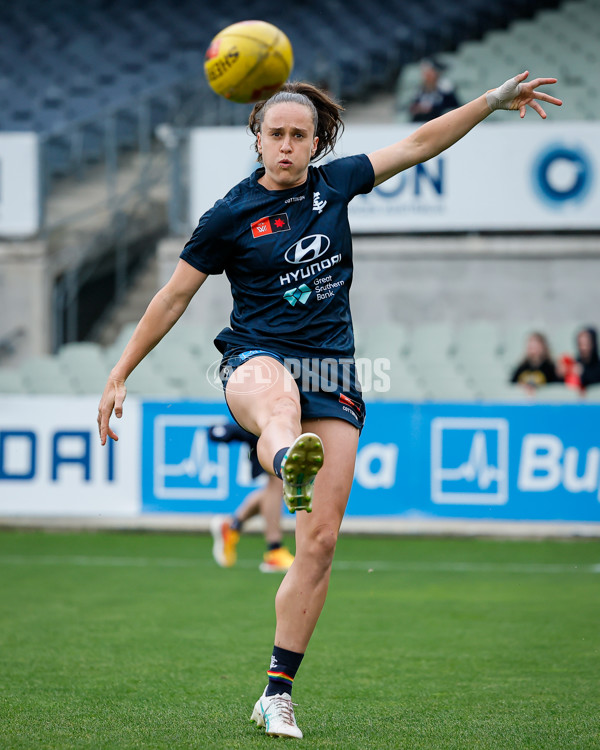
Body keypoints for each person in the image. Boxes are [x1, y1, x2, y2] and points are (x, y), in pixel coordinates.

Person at [98, 70, 561, 739]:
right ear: (256, 139)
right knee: (277, 406)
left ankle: (276, 691)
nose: (286, 145)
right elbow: (172, 297)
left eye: (298, 135)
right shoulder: (228, 216)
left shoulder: (335, 184)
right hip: (253, 357)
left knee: (318, 543)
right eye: (275, 134)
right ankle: (290, 457)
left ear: (316, 143)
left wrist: (491, 101)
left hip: (333, 372)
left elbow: (419, 144)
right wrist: (120, 370)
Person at [208, 421, 295, 573]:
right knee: (277, 482)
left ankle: (232, 525)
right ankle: (274, 550)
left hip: (282, 428)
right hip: (271, 431)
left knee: (274, 491)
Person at [409, 57, 460, 122]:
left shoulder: (445, 89)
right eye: (425, 73)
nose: (427, 76)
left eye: (429, 72)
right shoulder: (419, 90)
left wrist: (432, 108)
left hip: (441, 122)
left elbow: (453, 107)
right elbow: (413, 106)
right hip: (421, 122)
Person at [557, 326, 600, 390]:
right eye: (580, 344)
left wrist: (583, 373)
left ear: (593, 343)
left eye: (586, 344)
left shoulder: (597, 366)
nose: (583, 348)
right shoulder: (574, 363)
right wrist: (561, 375)